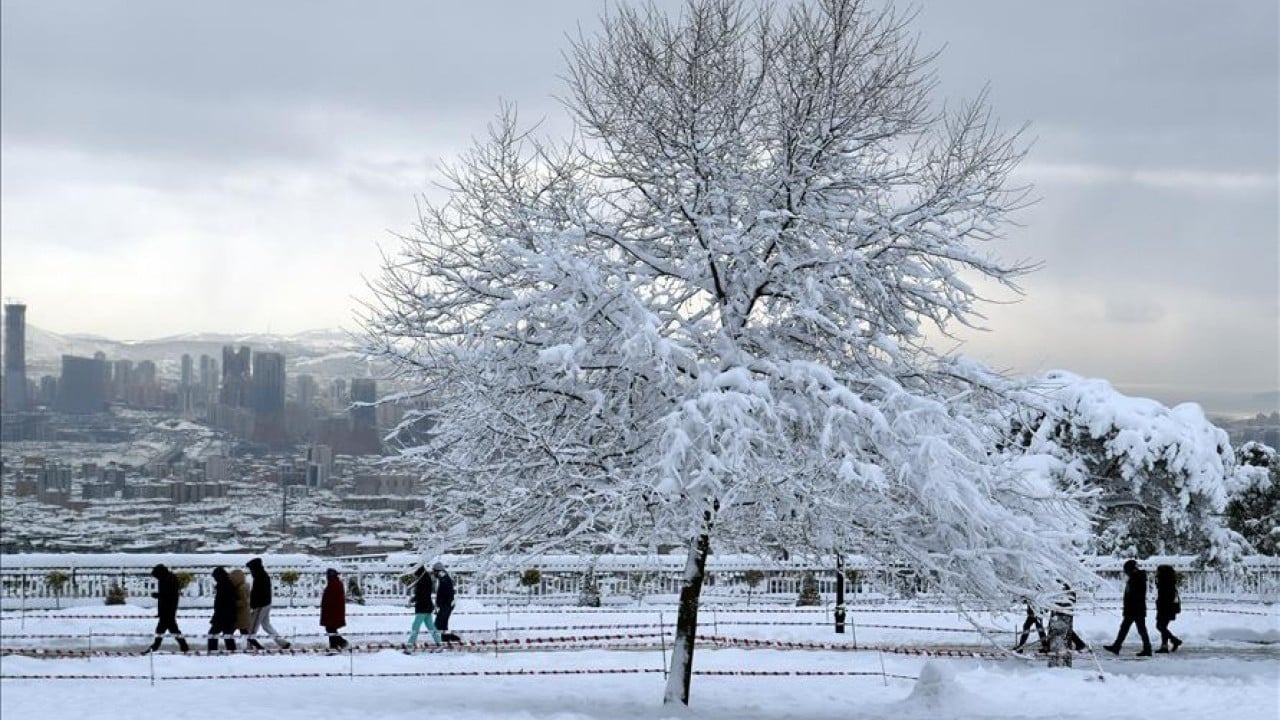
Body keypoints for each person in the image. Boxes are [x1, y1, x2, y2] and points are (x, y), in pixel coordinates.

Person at [1104, 559, 1152, 657]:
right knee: (1129, 628)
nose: (1126, 573)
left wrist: (1129, 606)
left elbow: (1135, 595)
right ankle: (1117, 646)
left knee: (1136, 629)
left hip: (1135, 609)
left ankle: (1146, 649)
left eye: (1126, 570)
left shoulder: (1137, 578)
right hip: (1134, 609)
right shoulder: (1136, 577)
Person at [245, 557, 292, 649]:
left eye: (251, 569)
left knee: (252, 629)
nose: (250, 571)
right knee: (266, 625)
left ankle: (249, 647)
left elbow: (257, 593)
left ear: (255, 568)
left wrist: (253, 605)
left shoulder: (259, 577)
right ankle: (283, 643)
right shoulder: (263, 575)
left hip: (260, 606)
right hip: (266, 604)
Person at [144, 564, 189, 653]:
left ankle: (155, 647)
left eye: (156, 576)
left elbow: (169, 595)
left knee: (166, 629)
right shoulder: (164, 578)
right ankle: (184, 646)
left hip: (169, 609)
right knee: (171, 630)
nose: (156, 578)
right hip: (166, 609)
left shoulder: (169, 579)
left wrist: (158, 595)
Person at [405, 565, 440, 651]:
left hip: (422, 607)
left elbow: (421, 594)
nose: (413, 573)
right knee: (431, 626)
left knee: (415, 626)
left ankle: (410, 645)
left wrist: (414, 599)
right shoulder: (424, 578)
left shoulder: (423, 580)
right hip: (426, 606)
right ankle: (440, 643)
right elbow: (422, 593)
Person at [207, 566, 238, 653]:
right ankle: (232, 652)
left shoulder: (223, 586)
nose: (215, 579)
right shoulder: (226, 584)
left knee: (212, 634)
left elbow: (223, 604)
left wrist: (217, 617)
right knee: (227, 635)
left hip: (224, 617)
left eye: (215, 577)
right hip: (227, 616)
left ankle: (213, 652)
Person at [229, 569, 261, 650]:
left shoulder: (241, 588)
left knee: (229, 633)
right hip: (242, 615)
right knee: (244, 633)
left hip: (241, 615)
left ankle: (232, 649)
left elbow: (244, 602)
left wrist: (233, 603)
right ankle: (259, 647)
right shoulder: (243, 586)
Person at [1154, 564, 1183, 653]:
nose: (1156, 573)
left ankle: (1174, 641)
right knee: (1163, 626)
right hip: (1168, 608)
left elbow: (1165, 598)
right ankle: (1164, 646)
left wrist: (1160, 605)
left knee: (1160, 626)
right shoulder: (1169, 582)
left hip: (1165, 609)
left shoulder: (1165, 584)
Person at [320, 568, 349, 651]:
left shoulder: (334, 584)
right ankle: (334, 646)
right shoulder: (335, 583)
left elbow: (331, 599)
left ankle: (342, 643)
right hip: (332, 612)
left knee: (330, 629)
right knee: (331, 629)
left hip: (332, 612)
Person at [433, 561, 459, 643]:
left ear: (438, 571)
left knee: (439, 623)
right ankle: (446, 639)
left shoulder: (444, 579)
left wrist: (441, 603)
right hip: (446, 605)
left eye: (434, 571)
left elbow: (445, 593)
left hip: (446, 605)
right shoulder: (443, 578)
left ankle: (451, 638)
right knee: (442, 623)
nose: (434, 573)